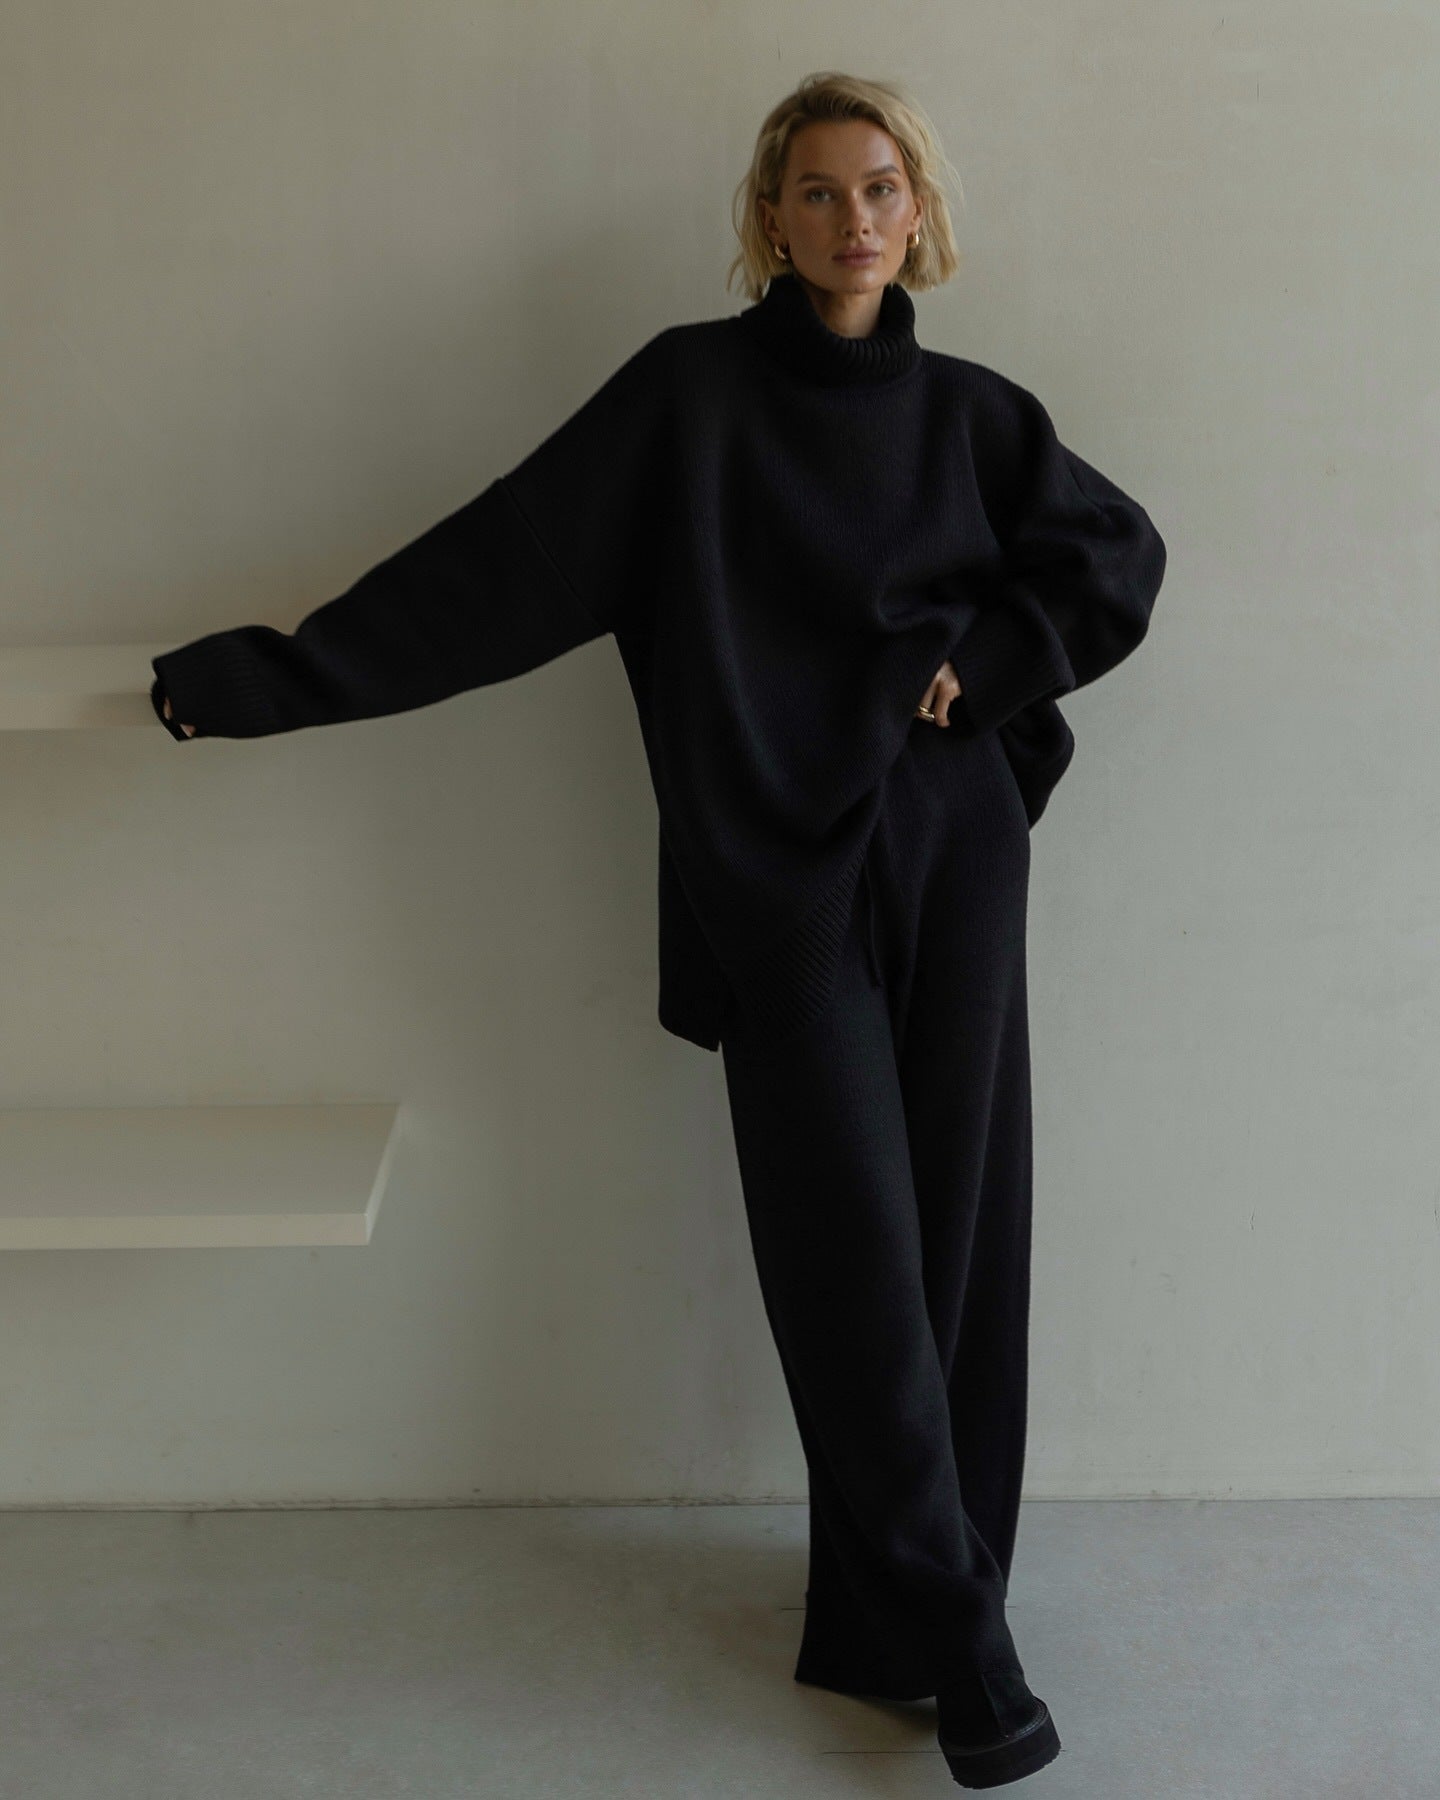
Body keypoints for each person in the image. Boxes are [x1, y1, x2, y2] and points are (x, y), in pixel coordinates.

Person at [153, 70, 1166, 1790]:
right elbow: (491, 573)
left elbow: (1118, 559)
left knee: (959, 1238)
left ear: (921, 210)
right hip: (777, 879)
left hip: (954, 846)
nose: (855, 219)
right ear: (768, 216)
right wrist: (271, 678)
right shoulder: (687, 402)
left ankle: (912, 1616)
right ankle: (969, 1643)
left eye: (883, 187)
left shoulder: (978, 418)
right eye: (820, 190)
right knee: (849, 1255)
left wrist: (988, 667)